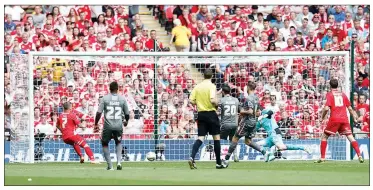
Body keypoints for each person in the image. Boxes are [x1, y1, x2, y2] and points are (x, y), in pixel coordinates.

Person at [315, 79, 363, 163]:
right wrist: (354, 117)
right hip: (344, 119)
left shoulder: (330, 94)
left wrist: (322, 118)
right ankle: (359, 155)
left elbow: (326, 108)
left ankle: (322, 158)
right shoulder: (343, 94)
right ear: (337, 85)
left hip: (334, 119)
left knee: (324, 136)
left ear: (330, 86)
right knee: (350, 137)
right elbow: (350, 108)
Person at [188, 69, 226, 169]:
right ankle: (218, 163)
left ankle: (192, 157)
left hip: (201, 114)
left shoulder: (197, 86)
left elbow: (191, 100)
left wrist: (199, 103)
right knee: (216, 138)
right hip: (211, 114)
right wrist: (218, 104)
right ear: (212, 76)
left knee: (200, 138)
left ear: (204, 76)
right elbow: (213, 100)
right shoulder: (212, 86)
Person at [223, 81, 267, 166]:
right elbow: (258, 112)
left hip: (247, 122)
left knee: (235, 138)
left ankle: (226, 160)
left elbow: (250, 111)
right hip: (254, 122)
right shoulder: (256, 98)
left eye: (246, 87)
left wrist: (242, 111)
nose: (245, 89)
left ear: (249, 88)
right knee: (248, 141)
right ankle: (264, 152)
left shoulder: (249, 98)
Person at [94, 81, 130, 170]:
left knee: (104, 143)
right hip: (118, 125)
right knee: (118, 142)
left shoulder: (105, 98)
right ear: (117, 89)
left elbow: (99, 112)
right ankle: (119, 162)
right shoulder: (122, 99)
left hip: (108, 126)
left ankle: (110, 166)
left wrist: (95, 123)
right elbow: (127, 113)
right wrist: (126, 121)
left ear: (109, 89)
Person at [218, 85, 240, 162]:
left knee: (218, 139)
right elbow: (240, 111)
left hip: (225, 124)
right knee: (233, 140)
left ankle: (219, 156)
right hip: (234, 123)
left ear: (223, 92)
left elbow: (217, 110)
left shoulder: (222, 100)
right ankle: (235, 155)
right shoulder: (236, 100)